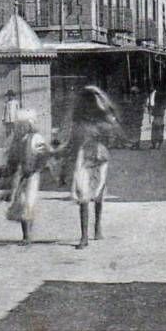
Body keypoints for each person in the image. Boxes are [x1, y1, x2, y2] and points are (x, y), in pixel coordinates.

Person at [58, 85, 124, 250]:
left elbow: (114, 135)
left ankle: (91, 231)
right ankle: (88, 233)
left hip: (94, 159)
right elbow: (71, 145)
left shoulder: (95, 122)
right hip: (90, 159)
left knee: (92, 195)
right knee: (87, 197)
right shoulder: (84, 123)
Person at [0, 110, 51, 246]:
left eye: (24, 125)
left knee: (29, 202)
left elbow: (43, 155)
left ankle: (28, 235)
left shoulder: (36, 138)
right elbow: (12, 158)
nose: (21, 127)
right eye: (19, 125)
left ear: (30, 125)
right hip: (20, 174)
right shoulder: (16, 140)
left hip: (32, 174)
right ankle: (25, 235)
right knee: (21, 202)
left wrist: (36, 168)